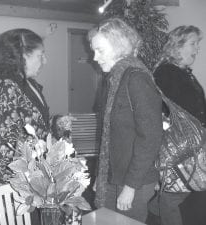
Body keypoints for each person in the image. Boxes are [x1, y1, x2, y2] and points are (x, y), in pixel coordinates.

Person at [88, 18, 163, 222]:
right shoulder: (114, 79)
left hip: (134, 180)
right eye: (94, 50)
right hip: (114, 175)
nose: (95, 57)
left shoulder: (137, 79)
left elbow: (150, 137)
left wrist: (130, 187)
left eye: (100, 50)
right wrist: (100, 176)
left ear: (118, 46)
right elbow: (109, 136)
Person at [0, 29, 50, 188]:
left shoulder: (28, 83)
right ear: (23, 56)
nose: (45, 61)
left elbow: (33, 122)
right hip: (15, 181)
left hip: (33, 171)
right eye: (40, 55)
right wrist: (5, 191)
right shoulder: (6, 88)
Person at [153, 25, 205, 225]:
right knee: (173, 196)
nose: (197, 49)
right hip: (178, 143)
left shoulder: (184, 72)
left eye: (197, 44)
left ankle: (155, 208)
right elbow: (162, 110)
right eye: (193, 43)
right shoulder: (167, 73)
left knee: (185, 189)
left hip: (193, 143)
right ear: (177, 46)